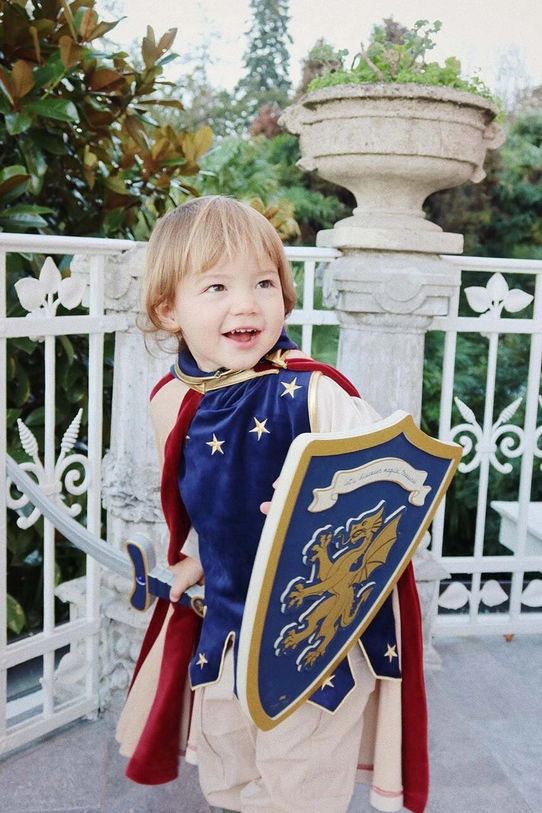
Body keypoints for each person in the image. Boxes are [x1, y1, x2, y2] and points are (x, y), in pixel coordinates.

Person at [116, 196, 429, 813]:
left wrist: (316, 511)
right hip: (228, 627)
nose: (246, 304)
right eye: (216, 286)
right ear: (167, 309)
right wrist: (194, 561)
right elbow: (208, 507)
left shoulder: (312, 393)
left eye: (264, 282)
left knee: (298, 785)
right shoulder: (171, 401)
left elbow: (399, 493)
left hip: (315, 638)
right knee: (230, 771)